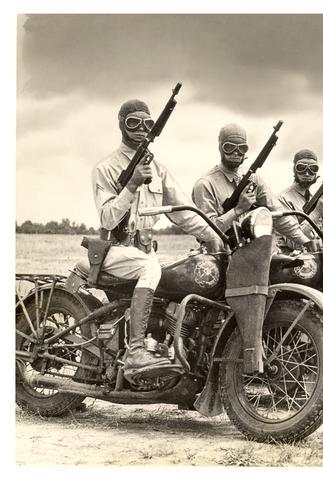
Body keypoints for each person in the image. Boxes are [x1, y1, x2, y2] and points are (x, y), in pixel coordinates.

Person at [92, 99, 218, 380]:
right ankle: (136, 351)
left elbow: (185, 212)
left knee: (188, 274)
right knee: (151, 268)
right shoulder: (106, 168)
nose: (141, 129)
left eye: (147, 124)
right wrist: (132, 184)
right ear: (121, 124)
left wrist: (213, 236)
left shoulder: (158, 169)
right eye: (133, 122)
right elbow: (107, 219)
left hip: (144, 252)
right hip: (115, 250)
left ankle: (181, 355)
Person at [191, 123, 311, 247]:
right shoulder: (205, 184)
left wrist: (306, 242)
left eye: (242, 148)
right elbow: (206, 232)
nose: (236, 153)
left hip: (254, 251)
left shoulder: (253, 178)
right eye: (229, 147)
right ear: (220, 147)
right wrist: (238, 210)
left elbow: (279, 216)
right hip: (219, 253)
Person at [277, 148, 323, 244]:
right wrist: (317, 212)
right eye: (301, 168)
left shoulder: (313, 198)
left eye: (313, 169)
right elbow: (293, 242)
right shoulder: (283, 199)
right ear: (294, 169)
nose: (307, 173)